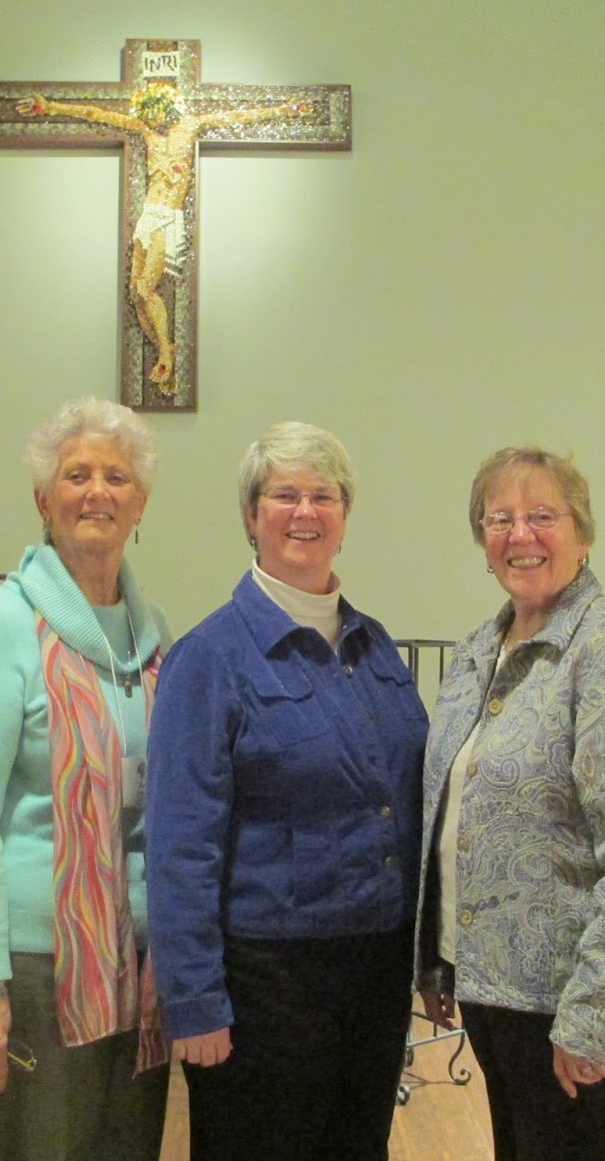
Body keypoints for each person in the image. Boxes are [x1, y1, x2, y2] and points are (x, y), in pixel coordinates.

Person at [144, 422, 427, 1161]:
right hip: (267, 985)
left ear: (345, 516)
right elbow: (179, 845)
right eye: (284, 495)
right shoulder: (209, 658)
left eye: (324, 496)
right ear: (251, 514)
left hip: (375, 973)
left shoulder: (375, 647)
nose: (305, 512)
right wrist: (194, 1000)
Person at [414, 445, 605, 1161]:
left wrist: (595, 1015)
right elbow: (453, 815)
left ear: (583, 533)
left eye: (542, 516)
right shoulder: (479, 653)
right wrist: (440, 962)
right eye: (498, 518)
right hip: (494, 992)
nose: (520, 534)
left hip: (573, 1004)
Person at [0, 396, 172, 1160]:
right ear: (44, 500)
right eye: (76, 475)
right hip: (34, 966)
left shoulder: (154, 638)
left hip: (136, 959)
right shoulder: (4, 626)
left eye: (116, 477)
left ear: (141, 504)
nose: (97, 491)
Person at [15, 87, 311, 396]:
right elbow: (99, 115)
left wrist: (281, 111)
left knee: (146, 288)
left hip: (169, 216)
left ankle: (167, 356)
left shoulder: (191, 126)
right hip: (149, 214)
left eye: (154, 113)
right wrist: (51, 106)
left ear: (166, 107)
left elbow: (234, 116)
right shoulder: (145, 131)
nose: (151, 120)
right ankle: (165, 352)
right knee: (136, 293)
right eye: (146, 115)